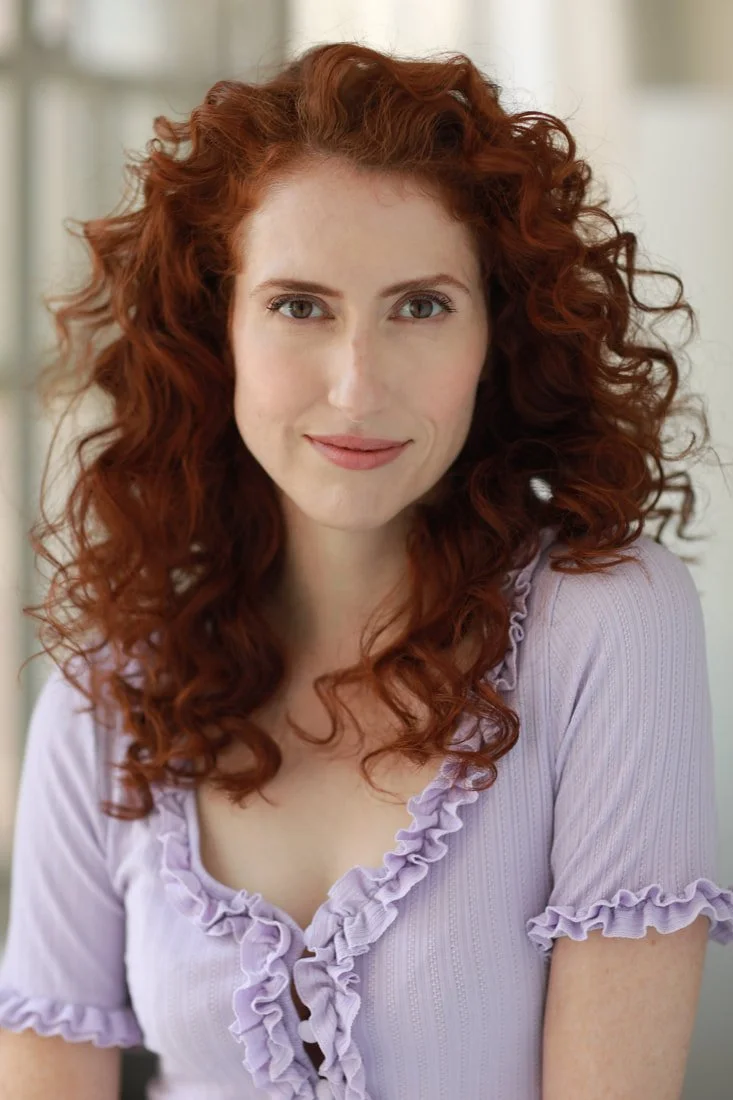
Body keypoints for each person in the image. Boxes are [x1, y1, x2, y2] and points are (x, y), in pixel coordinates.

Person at [0, 39, 731, 1100]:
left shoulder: (605, 627)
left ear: (498, 331)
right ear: (222, 330)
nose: (356, 386)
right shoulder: (101, 704)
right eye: (300, 305)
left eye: (421, 305)